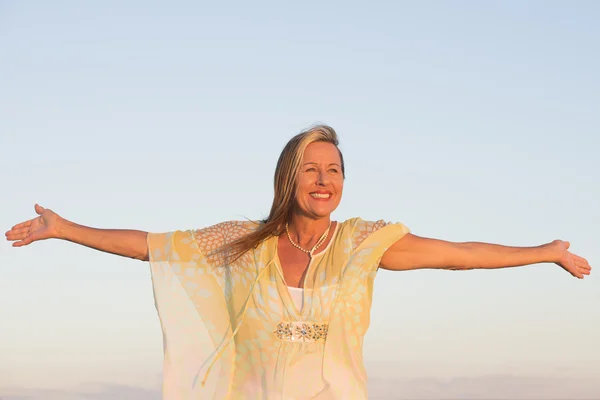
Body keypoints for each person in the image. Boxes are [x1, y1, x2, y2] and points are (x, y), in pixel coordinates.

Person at [5, 125, 591, 399]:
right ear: (290, 177)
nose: (323, 180)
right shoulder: (243, 242)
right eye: (311, 168)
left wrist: (542, 254)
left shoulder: (363, 244)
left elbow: (457, 257)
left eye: (333, 169)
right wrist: (65, 230)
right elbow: (155, 245)